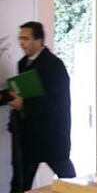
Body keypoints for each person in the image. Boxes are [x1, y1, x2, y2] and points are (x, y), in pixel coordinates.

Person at [8, 21, 75, 191]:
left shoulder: (54, 65)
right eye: (20, 38)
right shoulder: (23, 63)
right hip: (28, 134)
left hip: (52, 133)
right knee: (21, 182)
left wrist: (24, 103)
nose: (21, 42)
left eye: (26, 38)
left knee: (68, 179)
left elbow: (57, 100)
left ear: (39, 41)